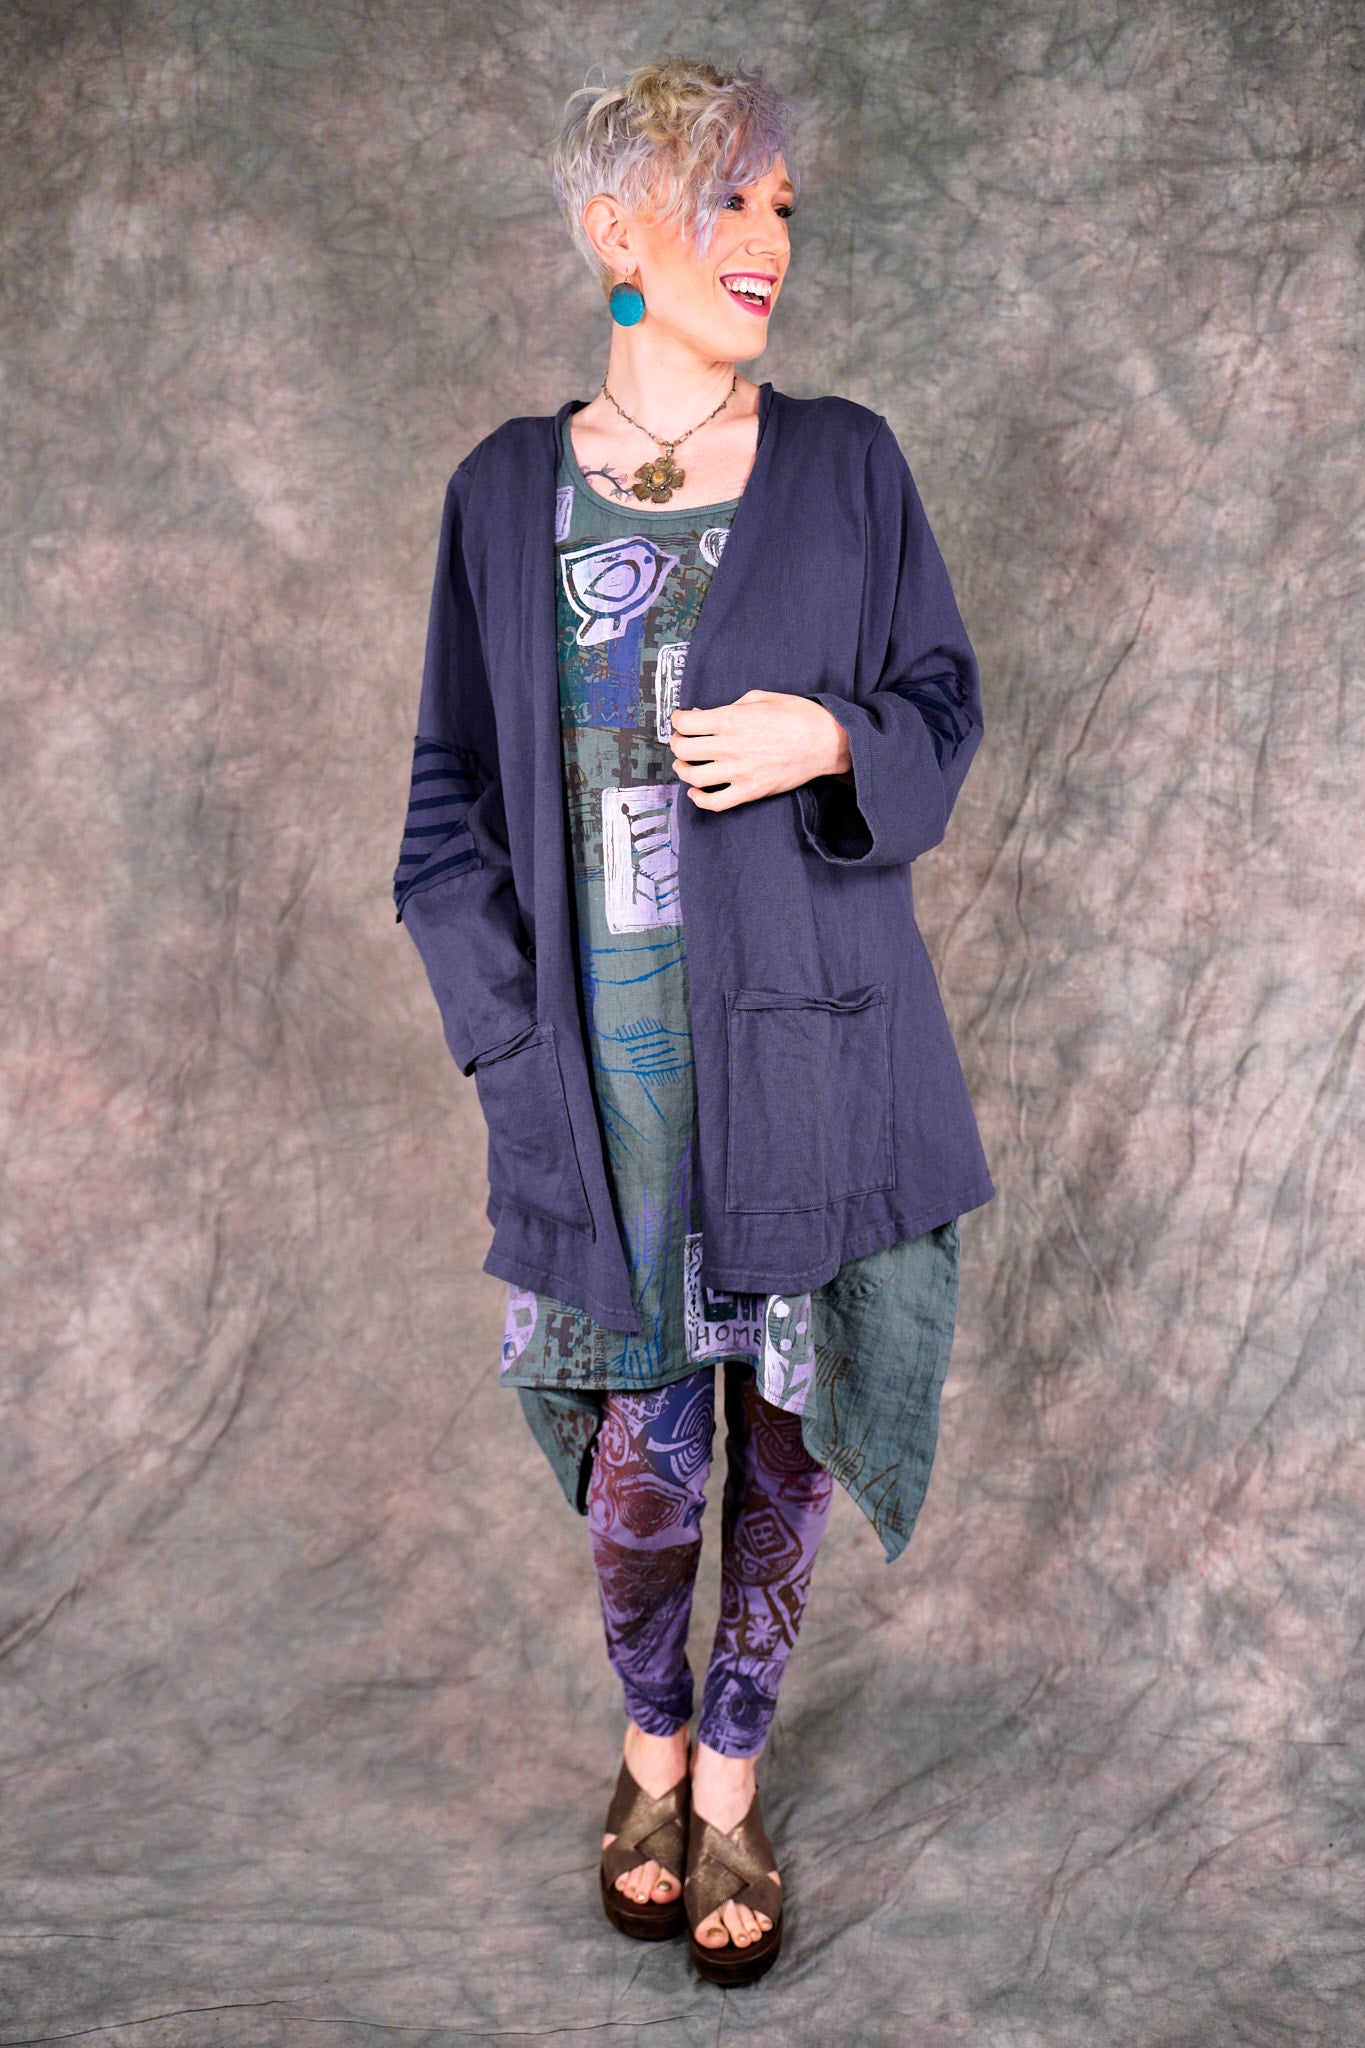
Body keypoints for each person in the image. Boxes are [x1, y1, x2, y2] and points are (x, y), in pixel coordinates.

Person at [392, 57, 994, 1985]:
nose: (766, 238)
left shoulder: (848, 464)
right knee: (647, 1467)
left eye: (781, 204)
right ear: (615, 232)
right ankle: (642, 1743)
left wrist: (832, 736)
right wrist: (505, 1048)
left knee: (784, 1449)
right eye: (724, 196)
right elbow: (445, 814)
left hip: (814, 1059)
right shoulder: (504, 493)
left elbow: (941, 706)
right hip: (604, 1090)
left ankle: (724, 1784)